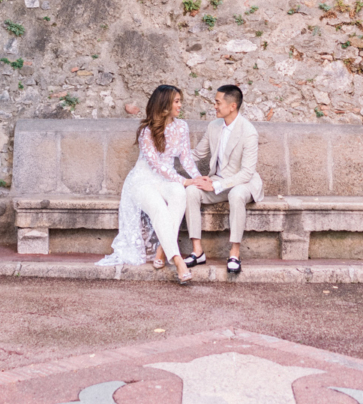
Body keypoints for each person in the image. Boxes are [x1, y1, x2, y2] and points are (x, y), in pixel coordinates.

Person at [96, 84, 203, 284]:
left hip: (167, 180)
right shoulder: (147, 131)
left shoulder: (182, 126)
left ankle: (162, 249)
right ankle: (178, 260)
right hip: (142, 180)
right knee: (159, 207)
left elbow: (186, 157)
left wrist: (197, 179)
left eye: (180, 101)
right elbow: (156, 166)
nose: (180, 105)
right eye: (176, 101)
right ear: (165, 104)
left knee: (180, 193)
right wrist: (185, 180)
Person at [182, 84, 262, 276]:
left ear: (232, 106)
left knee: (236, 194)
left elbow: (246, 173)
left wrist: (215, 185)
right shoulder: (214, 126)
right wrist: (170, 152)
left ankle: (234, 253)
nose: (214, 106)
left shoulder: (249, 132)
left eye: (218, 103)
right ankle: (197, 251)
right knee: (191, 190)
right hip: (218, 180)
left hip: (244, 183)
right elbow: (198, 153)